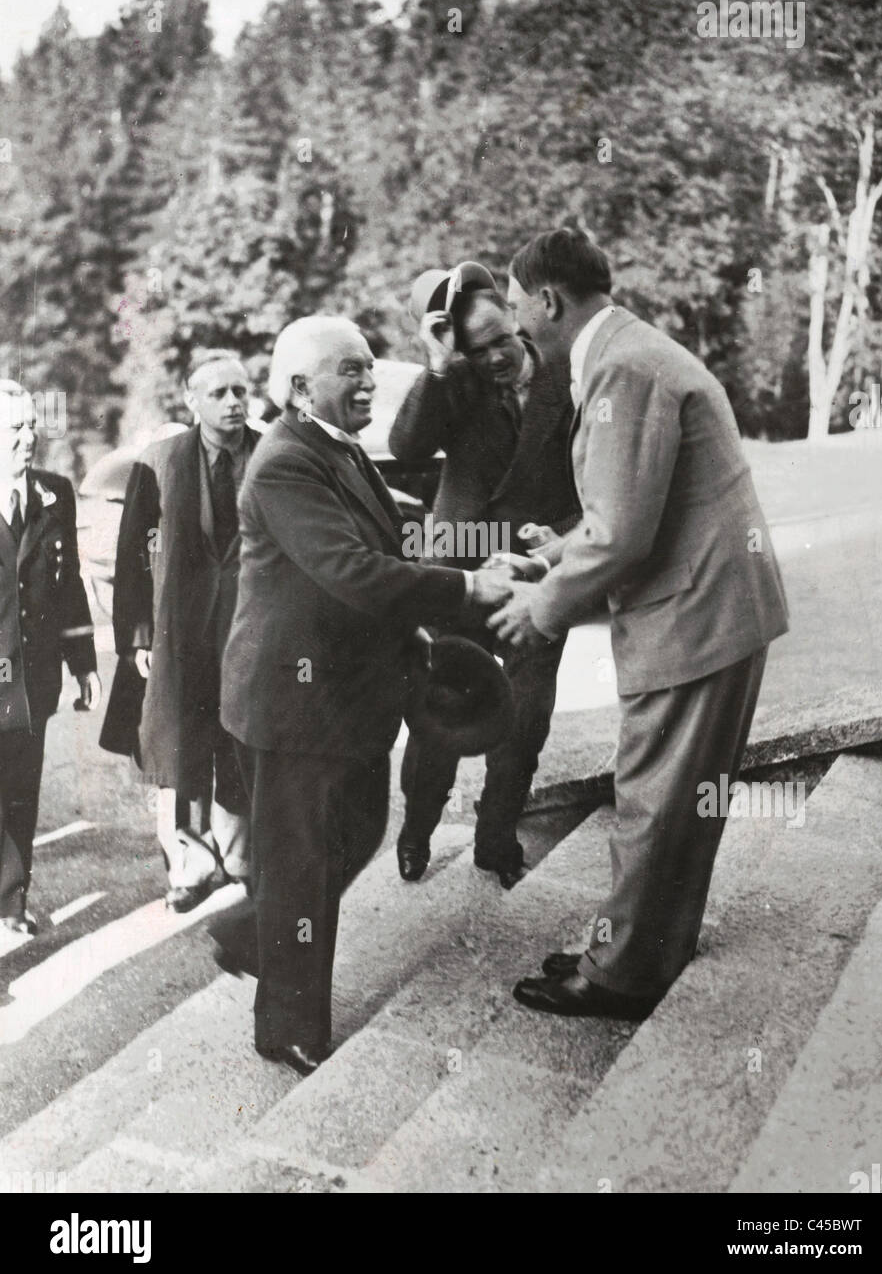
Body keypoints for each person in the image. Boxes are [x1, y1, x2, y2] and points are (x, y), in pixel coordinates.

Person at [490, 228, 789, 1020]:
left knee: (655, 798)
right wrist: (562, 551)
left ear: (548, 301)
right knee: (681, 796)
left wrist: (540, 606)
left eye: (519, 308)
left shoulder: (622, 366)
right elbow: (634, 507)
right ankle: (645, 948)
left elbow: (623, 533)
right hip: (715, 608)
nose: (517, 326)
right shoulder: (631, 349)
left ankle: (621, 975)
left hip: (694, 617)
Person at [216, 316, 513, 1076]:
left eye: (369, 367)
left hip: (344, 698)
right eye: (349, 370)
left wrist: (490, 548)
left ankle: (254, 931)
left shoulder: (336, 450)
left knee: (353, 832)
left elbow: (396, 536)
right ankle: (285, 1026)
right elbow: (352, 571)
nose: (369, 382)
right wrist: (471, 588)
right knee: (307, 861)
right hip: (292, 705)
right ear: (297, 388)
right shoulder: (284, 463)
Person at [389, 262, 579, 888]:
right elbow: (409, 445)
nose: (495, 357)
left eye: (502, 340)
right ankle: (417, 829)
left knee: (525, 718)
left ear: (518, 321)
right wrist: (440, 365)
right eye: (478, 348)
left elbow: (596, 481)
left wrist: (558, 544)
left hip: (534, 572)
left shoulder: (570, 380)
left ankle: (496, 835)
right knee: (442, 710)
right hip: (459, 570)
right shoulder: (457, 383)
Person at [100, 351, 258, 912]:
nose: (234, 402)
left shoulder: (271, 455)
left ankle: (239, 859)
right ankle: (190, 867)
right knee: (179, 746)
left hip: (249, 629)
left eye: (241, 391)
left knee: (243, 739)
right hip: (180, 632)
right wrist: (137, 636)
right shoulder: (162, 460)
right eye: (219, 393)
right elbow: (131, 554)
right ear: (192, 400)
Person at [0, 379, 101, 940]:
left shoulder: (55, 493)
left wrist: (84, 662)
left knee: (19, 787)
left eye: (31, 424)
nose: (28, 436)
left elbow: (69, 588)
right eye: (13, 428)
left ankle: (11, 904)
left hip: (32, 678)